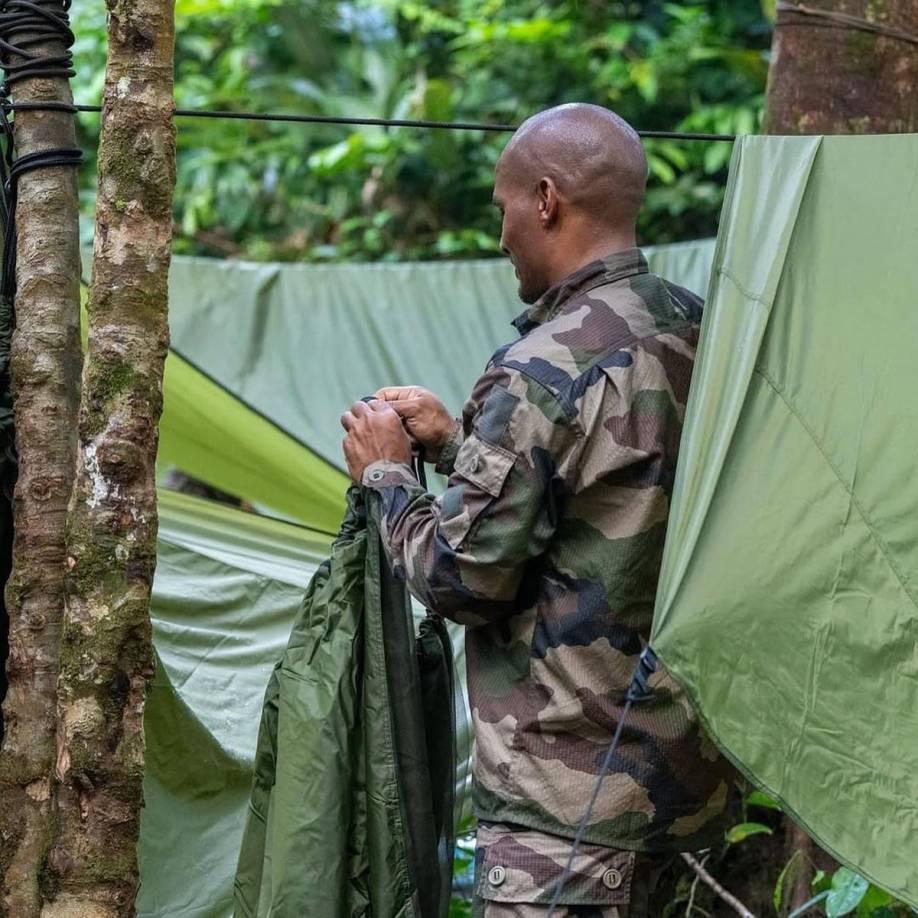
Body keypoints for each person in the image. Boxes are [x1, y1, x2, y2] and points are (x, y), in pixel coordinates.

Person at [340, 103, 733, 918]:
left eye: (505, 208)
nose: (502, 235)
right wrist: (459, 446)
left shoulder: (543, 367)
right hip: (682, 793)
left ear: (547, 200)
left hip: (567, 812)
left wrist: (388, 477)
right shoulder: (702, 329)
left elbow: (461, 578)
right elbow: (607, 496)